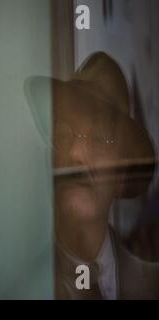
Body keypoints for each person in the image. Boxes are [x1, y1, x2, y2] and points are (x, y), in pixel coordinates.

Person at [26, 52, 159, 299]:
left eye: (99, 139)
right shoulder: (20, 290)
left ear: (122, 173)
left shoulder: (153, 285)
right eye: (64, 135)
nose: (74, 153)